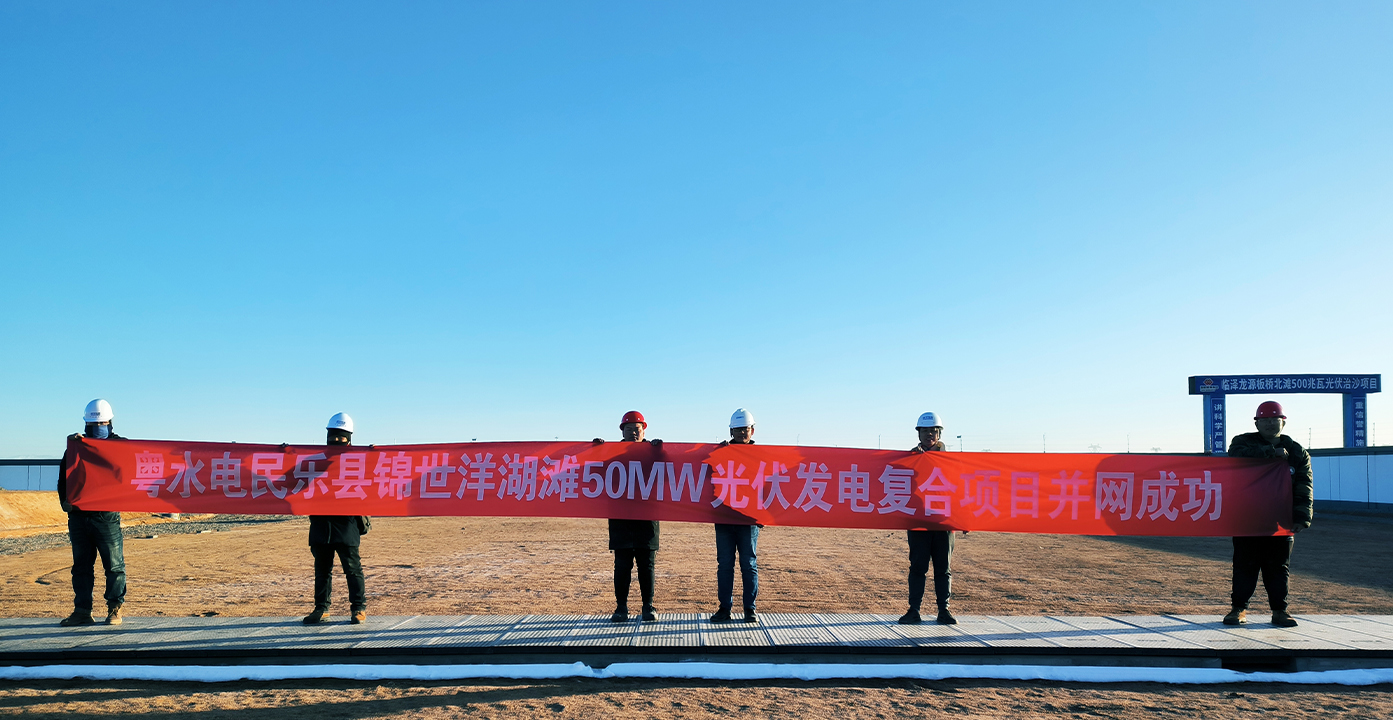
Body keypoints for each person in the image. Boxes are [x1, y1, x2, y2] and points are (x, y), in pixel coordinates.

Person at [1223, 401, 1313, 628]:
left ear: (1283, 422)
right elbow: (1236, 457)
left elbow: (1304, 485)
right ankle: (1238, 609)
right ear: (1257, 423)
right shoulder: (1243, 442)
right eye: (1264, 420)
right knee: (1244, 565)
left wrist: (1302, 517)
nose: (1270, 424)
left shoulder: (1296, 452)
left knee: (1278, 568)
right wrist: (1270, 453)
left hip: (1280, 521)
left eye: (1275, 419)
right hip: (1247, 518)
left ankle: (1280, 611)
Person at [57, 399, 128, 626]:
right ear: (86, 424)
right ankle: (82, 611)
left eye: (102, 423)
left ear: (110, 424)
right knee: (81, 568)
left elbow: (131, 454)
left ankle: (114, 608)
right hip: (79, 517)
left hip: (106, 517)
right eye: (93, 424)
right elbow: (63, 478)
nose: (97, 427)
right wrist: (64, 502)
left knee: (114, 566)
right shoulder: (76, 448)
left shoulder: (120, 447)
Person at [594, 411, 663, 623]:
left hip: (647, 519)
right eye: (629, 429)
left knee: (646, 566)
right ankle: (621, 607)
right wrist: (596, 450)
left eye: (637, 429)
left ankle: (648, 606)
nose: (634, 433)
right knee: (622, 566)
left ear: (644, 431)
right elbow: (596, 470)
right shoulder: (611, 454)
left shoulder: (654, 453)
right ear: (622, 431)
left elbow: (671, 471)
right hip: (621, 519)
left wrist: (660, 451)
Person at [303, 413, 370, 625]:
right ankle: (321, 609)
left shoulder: (359, 462)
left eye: (341, 437)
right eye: (333, 436)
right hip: (321, 524)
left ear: (349, 439)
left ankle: (358, 608)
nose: (336, 441)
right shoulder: (314, 461)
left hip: (346, 524)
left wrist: (375, 454)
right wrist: (284, 453)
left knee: (352, 569)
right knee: (322, 571)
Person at [901, 411, 957, 625]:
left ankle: (944, 610)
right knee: (917, 568)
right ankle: (914, 610)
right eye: (925, 431)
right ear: (919, 434)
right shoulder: (910, 459)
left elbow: (961, 490)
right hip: (918, 523)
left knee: (943, 569)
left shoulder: (952, 461)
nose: (929, 435)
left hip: (944, 523)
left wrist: (965, 519)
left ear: (939, 434)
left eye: (933, 431)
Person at [711, 408, 760, 624]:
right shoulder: (721, 453)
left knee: (748, 564)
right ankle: (725, 608)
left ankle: (750, 609)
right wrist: (716, 452)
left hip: (748, 520)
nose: (741, 433)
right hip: (724, 518)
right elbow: (700, 467)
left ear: (752, 430)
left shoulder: (763, 456)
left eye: (745, 429)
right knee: (725, 565)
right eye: (738, 429)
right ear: (731, 431)